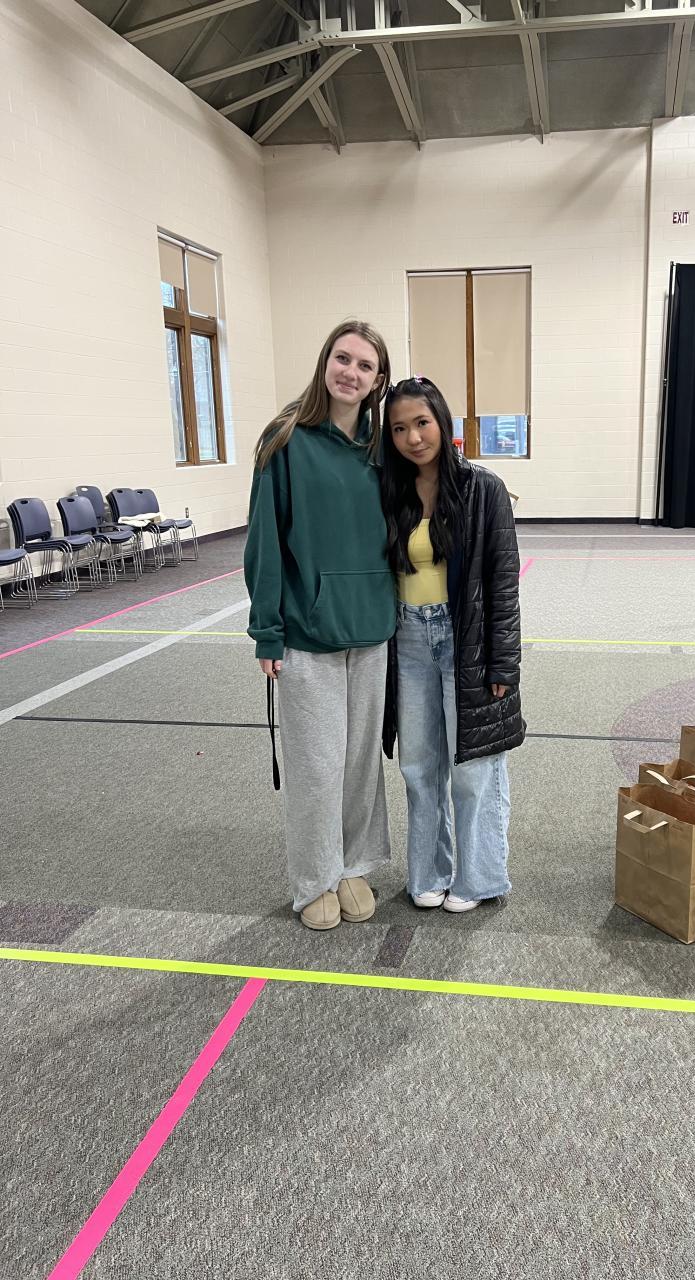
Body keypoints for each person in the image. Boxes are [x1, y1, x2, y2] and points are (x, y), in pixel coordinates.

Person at [244, 321, 395, 932]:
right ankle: (314, 878)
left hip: (373, 631)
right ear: (324, 362)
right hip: (307, 634)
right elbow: (264, 541)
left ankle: (354, 864)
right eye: (342, 358)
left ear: (377, 380)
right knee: (316, 766)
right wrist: (267, 630)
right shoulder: (285, 439)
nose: (350, 372)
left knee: (360, 763)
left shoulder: (384, 449)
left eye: (364, 365)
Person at [381, 376, 524, 912]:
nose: (413, 438)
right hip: (408, 640)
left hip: (467, 642)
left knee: (473, 770)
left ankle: (479, 877)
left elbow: (503, 581)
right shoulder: (391, 490)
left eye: (422, 423)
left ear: (442, 421)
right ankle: (428, 872)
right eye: (399, 429)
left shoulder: (483, 489)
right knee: (419, 767)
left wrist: (503, 662)